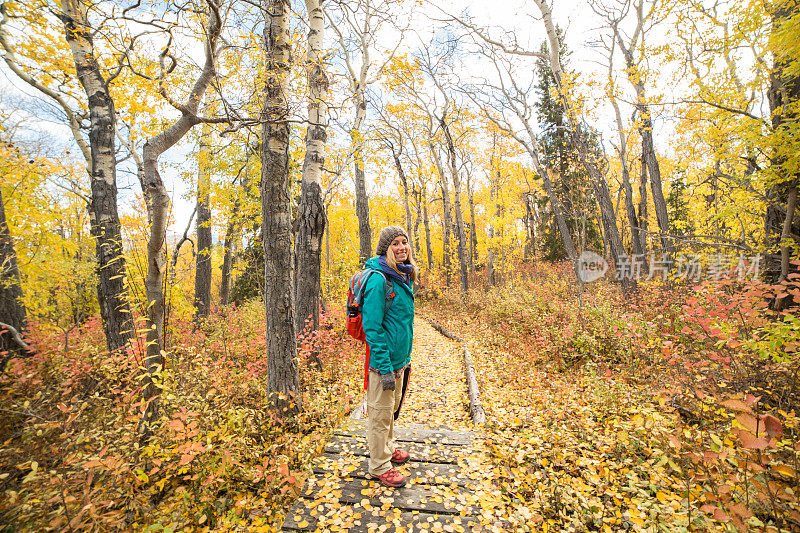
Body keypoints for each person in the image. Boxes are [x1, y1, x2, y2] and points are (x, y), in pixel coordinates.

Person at [361, 225, 417, 488]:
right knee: (381, 413)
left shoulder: (401, 276)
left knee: (391, 410)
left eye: (404, 242)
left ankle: (388, 448)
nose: (401, 247)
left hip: (399, 360)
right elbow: (372, 327)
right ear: (385, 248)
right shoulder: (378, 278)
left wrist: (403, 359)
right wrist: (384, 367)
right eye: (395, 243)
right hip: (383, 363)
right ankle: (379, 465)